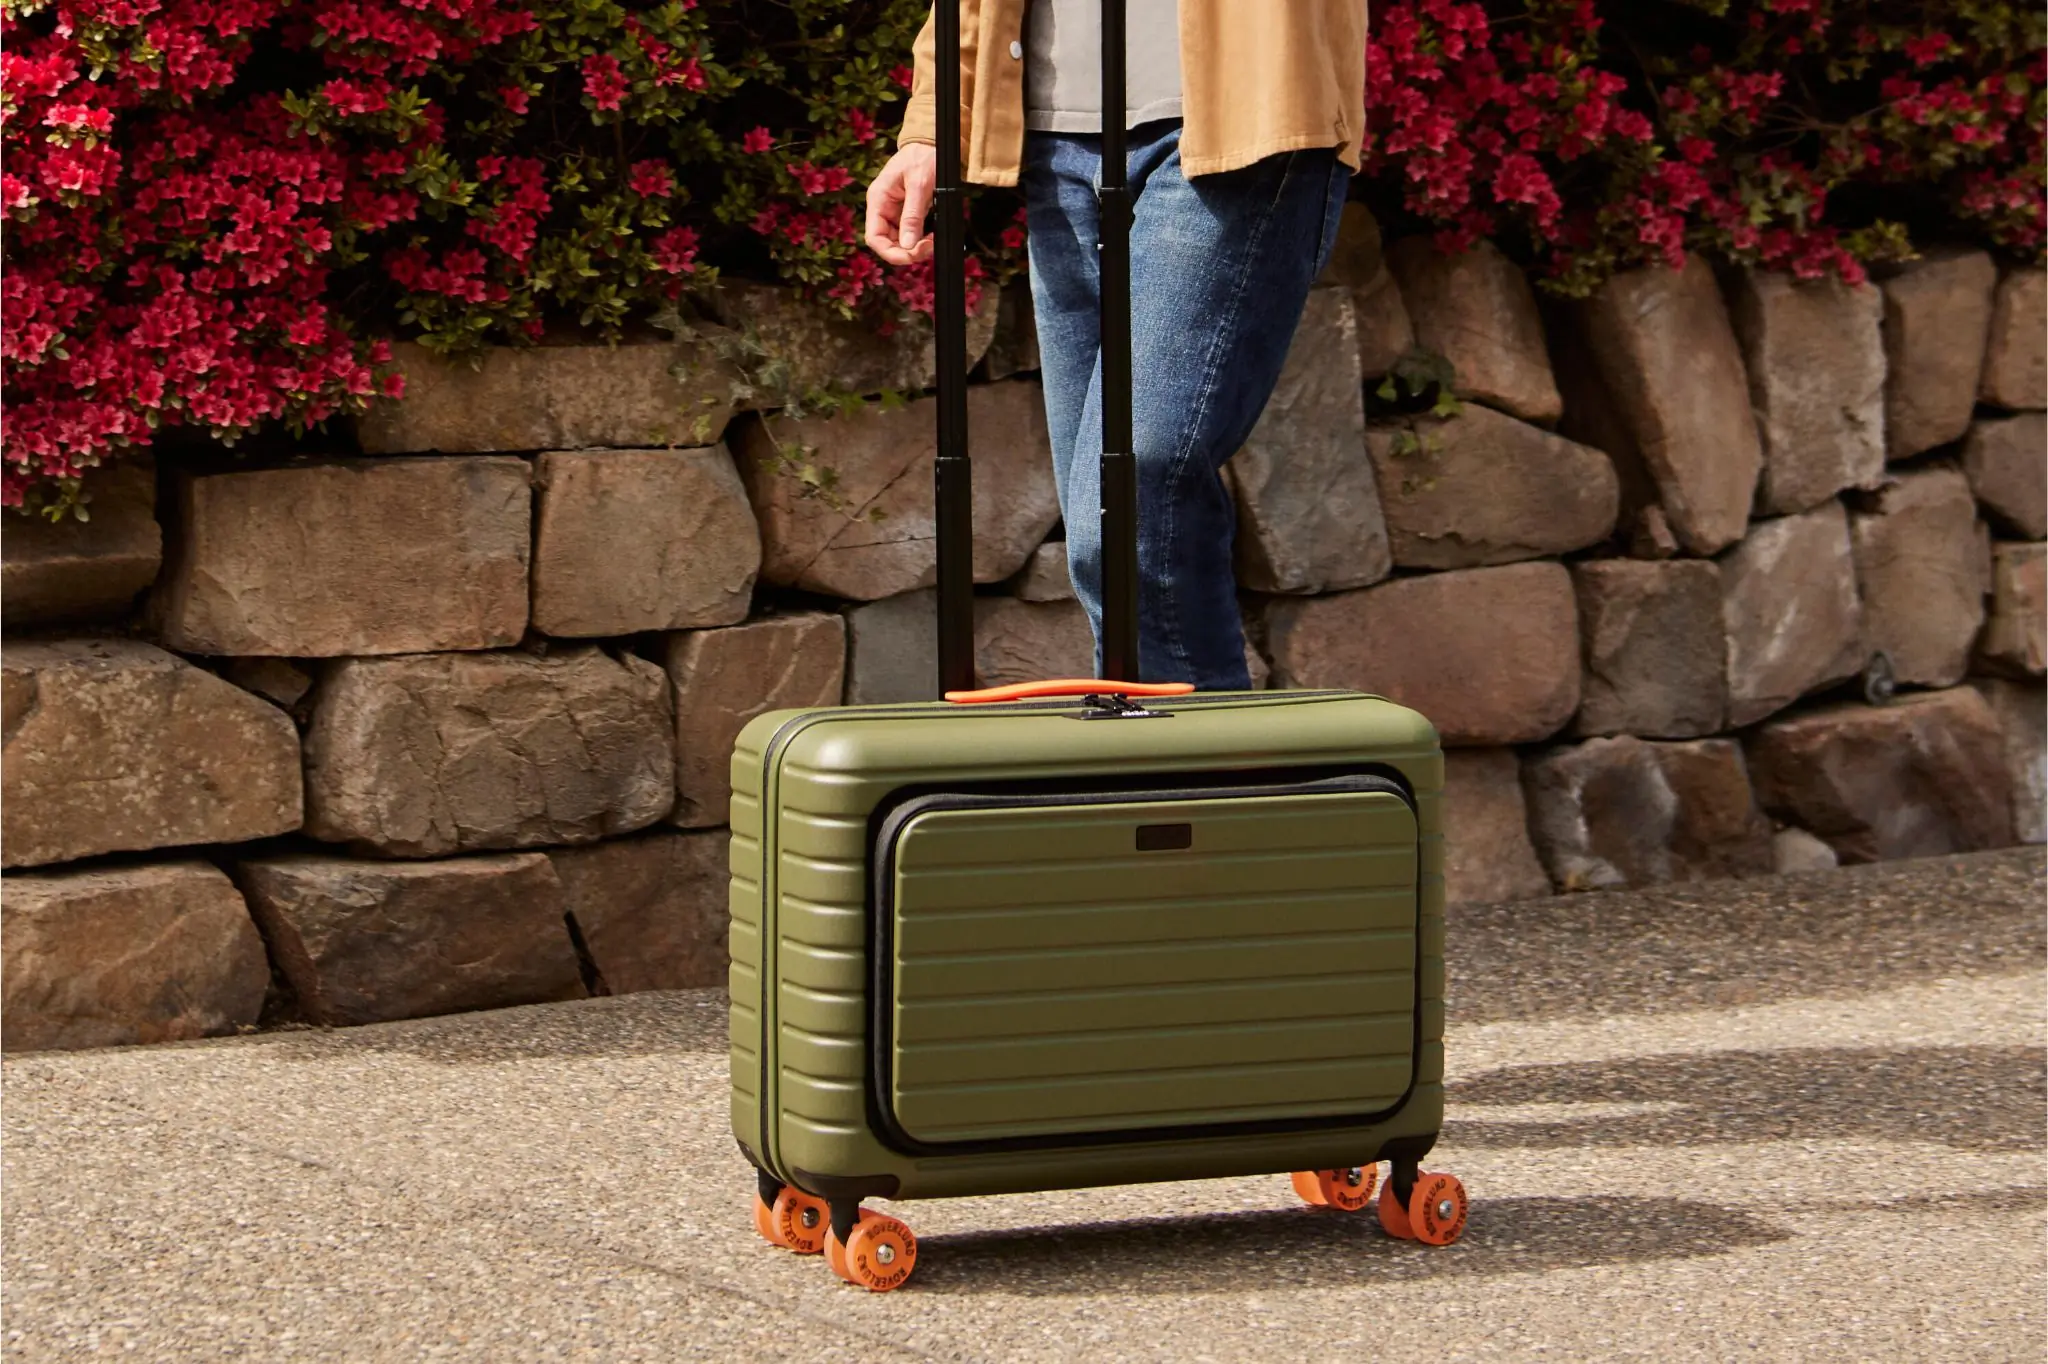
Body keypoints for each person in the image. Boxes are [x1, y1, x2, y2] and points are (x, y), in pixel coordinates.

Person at [866, 0, 1367, 690]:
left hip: (1240, 119)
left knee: (1130, 487)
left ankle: (1205, 776)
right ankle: (1175, 770)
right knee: (1105, 530)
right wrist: (929, 126)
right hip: (1058, 136)